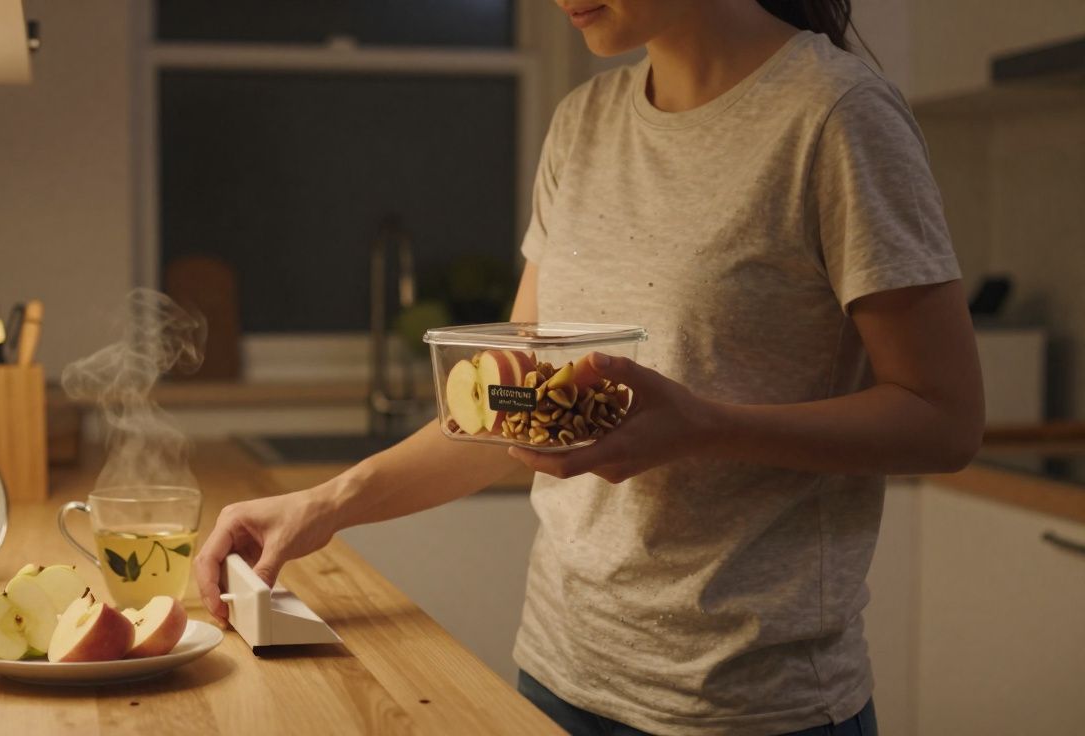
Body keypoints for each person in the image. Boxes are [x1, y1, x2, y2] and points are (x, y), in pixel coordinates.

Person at [193, 0, 984, 733]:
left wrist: (704, 426)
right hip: (558, 674)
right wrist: (322, 506)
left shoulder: (838, 115)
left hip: (747, 704)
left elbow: (943, 419)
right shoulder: (584, 122)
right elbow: (507, 409)